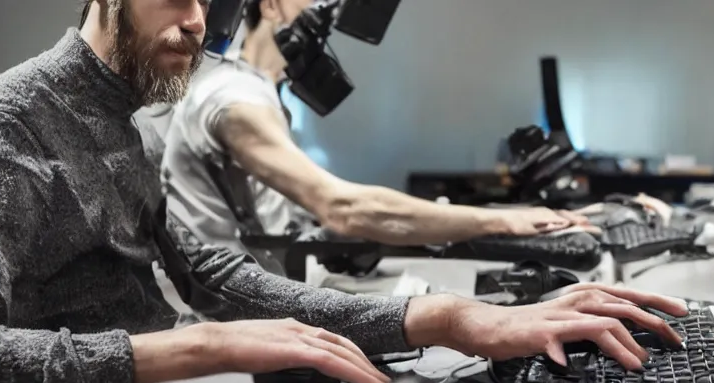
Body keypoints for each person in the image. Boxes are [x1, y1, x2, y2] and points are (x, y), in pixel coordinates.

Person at [0, 0, 685, 383]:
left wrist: (441, 319)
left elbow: (218, 279)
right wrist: (202, 347)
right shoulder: (10, 127)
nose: (196, 19)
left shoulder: (137, 123)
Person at [149, 0, 590, 259]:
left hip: (262, 304)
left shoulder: (259, 95)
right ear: (270, 5)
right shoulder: (235, 97)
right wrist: (501, 222)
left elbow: (286, 222)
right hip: (235, 333)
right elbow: (342, 207)